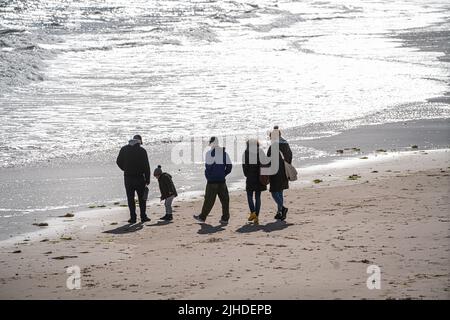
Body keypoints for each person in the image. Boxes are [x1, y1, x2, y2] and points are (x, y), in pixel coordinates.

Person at [193, 136, 232, 225]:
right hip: (221, 181)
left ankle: (202, 217)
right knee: (225, 200)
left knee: (209, 200)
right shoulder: (224, 154)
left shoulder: (209, 154)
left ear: (211, 144)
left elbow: (208, 168)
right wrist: (223, 174)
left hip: (212, 181)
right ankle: (225, 218)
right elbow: (229, 167)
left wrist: (209, 176)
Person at [116, 134, 151, 224]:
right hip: (140, 178)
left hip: (128, 178)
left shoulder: (124, 149)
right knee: (142, 199)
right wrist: (147, 179)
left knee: (130, 198)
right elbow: (146, 166)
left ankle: (133, 218)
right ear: (139, 142)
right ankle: (143, 216)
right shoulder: (142, 151)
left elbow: (118, 161)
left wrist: (125, 169)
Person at [267, 126, 292, 221]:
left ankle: (282, 208)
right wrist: (287, 165)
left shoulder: (273, 146)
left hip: (275, 171)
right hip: (284, 170)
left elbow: (268, 160)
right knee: (280, 191)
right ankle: (279, 212)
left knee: (273, 192)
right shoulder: (286, 144)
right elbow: (290, 156)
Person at [242, 138, 267, 225]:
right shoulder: (260, 151)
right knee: (258, 197)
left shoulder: (246, 153)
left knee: (249, 195)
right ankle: (256, 216)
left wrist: (247, 174)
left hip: (250, 177)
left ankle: (253, 213)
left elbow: (244, 166)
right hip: (259, 177)